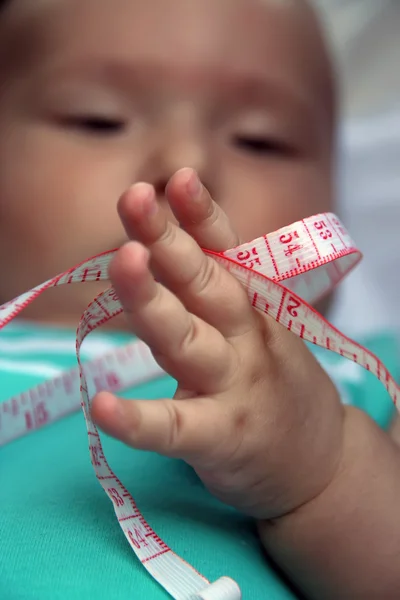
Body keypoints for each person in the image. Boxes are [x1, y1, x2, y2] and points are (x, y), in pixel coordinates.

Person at [0, 1, 399, 598]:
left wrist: (328, 467)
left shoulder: (368, 380)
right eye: (97, 119)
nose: (186, 162)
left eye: (261, 140)